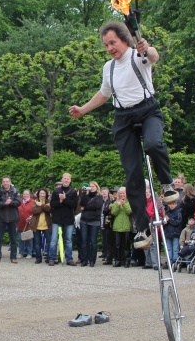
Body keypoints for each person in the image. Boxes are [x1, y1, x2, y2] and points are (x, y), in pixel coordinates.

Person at [69, 21, 179, 250]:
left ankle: (167, 184)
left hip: (147, 110)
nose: (110, 48)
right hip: (123, 118)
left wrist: (146, 49)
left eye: (113, 42)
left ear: (124, 40)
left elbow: (154, 56)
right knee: (132, 175)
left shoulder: (138, 55)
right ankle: (142, 227)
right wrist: (82, 109)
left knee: (153, 144)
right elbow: (103, 94)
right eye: (106, 44)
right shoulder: (108, 68)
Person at [48, 173, 78, 266]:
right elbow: (52, 204)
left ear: (70, 180)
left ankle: (69, 259)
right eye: (64, 179)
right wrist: (60, 201)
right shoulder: (56, 191)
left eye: (68, 179)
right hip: (57, 218)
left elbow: (74, 205)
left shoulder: (73, 192)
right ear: (62, 179)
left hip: (68, 219)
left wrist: (65, 199)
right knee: (54, 240)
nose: (66, 180)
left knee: (68, 240)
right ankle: (52, 258)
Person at [0, 176, 21, 264]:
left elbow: (18, 202)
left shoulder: (15, 191)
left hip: (13, 218)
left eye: (7, 181)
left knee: (13, 239)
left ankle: (13, 257)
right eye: (4, 181)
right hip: (1, 218)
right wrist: (4, 203)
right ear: (2, 182)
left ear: (10, 182)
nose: (5, 183)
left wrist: (11, 202)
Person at [78, 181, 103, 267]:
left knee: (93, 241)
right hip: (84, 220)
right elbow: (81, 204)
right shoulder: (86, 196)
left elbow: (97, 206)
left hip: (94, 221)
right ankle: (84, 259)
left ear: (97, 187)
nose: (91, 188)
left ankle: (92, 260)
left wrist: (85, 208)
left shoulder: (99, 197)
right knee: (84, 241)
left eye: (93, 186)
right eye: (90, 186)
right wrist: (84, 193)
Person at [110, 187, 133, 267]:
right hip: (117, 226)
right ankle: (117, 260)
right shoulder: (116, 202)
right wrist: (118, 205)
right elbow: (113, 213)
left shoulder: (129, 202)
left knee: (126, 245)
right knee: (117, 245)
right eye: (121, 193)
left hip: (126, 226)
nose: (122, 195)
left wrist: (124, 205)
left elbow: (129, 212)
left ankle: (127, 261)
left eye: (124, 193)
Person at [30, 188, 52, 263]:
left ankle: (49, 258)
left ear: (46, 194)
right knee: (37, 243)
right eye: (41, 193)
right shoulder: (34, 201)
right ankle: (38, 258)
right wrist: (45, 206)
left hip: (46, 225)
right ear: (38, 194)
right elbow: (34, 211)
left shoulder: (49, 201)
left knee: (49, 241)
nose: (42, 195)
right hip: (37, 225)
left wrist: (41, 205)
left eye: (43, 193)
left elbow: (50, 210)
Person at [163, 199, 182, 268]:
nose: (171, 206)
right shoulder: (167, 212)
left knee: (175, 248)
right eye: (170, 204)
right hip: (168, 233)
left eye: (173, 204)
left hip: (175, 233)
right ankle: (169, 261)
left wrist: (169, 220)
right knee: (169, 248)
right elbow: (164, 223)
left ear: (176, 204)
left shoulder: (178, 212)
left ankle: (175, 261)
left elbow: (178, 222)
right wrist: (164, 220)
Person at [17, 189, 34, 258]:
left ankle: (29, 253)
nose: (25, 195)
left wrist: (31, 217)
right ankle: (21, 252)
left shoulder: (33, 202)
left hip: (29, 224)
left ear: (29, 195)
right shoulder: (19, 202)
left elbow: (35, 212)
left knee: (29, 239)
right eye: (24, 194)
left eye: (27, 194)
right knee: (20, 239)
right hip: (20, 223)